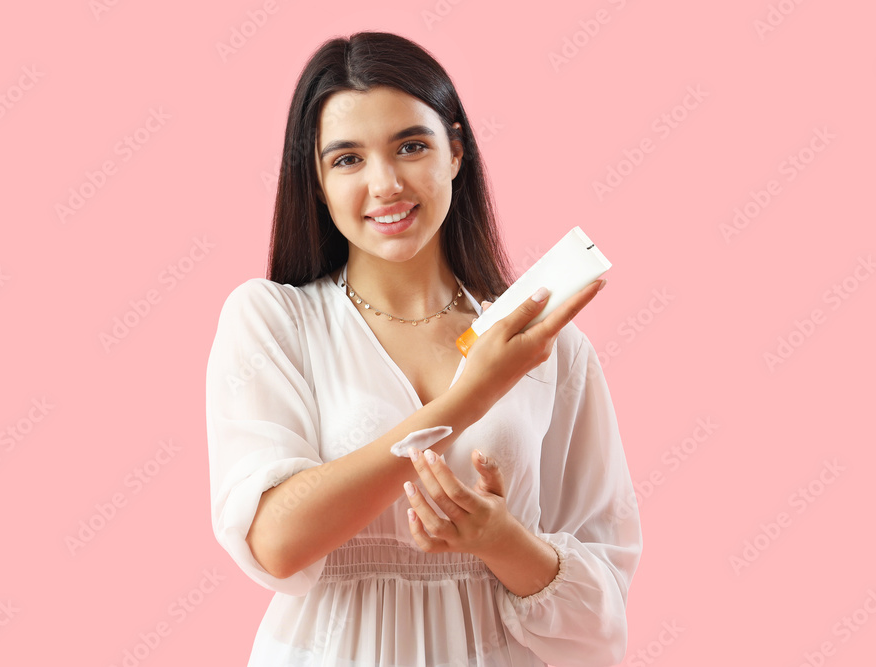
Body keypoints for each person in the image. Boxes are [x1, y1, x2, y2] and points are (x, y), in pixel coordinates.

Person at [206, 30, 642, 667]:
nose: (384, 184)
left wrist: (499, 540)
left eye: (411, 146)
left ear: (456, 150)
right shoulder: (275, 322)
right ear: (317, 180)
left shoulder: (546, 343)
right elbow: (275, 541)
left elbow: (601, 616)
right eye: (347, 159)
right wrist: (471, 398)